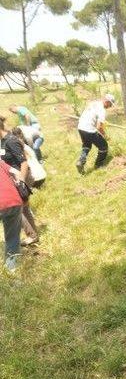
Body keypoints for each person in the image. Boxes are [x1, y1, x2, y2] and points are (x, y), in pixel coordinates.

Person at [1, 115, 38, 246]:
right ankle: (33, 235)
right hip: (12, 180)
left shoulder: (11, 141)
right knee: (23, 209)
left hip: (19, 178)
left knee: (18, 209)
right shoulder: (2, 142)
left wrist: (21, 181)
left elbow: (23, 163)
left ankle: (32, 235)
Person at [76, 94, 115, 173]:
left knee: (87, 145)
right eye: (110, 105)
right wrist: (105, 136)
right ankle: (98, 165)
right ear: (107, 102)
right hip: (89, 129)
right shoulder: (102, 110)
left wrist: (102, 122)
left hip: (80, 127)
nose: (110, 107)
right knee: (103, 146)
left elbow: (91, 116)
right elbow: (99, 127)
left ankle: (80, 161)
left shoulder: (93, 103)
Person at [0, 160, 22, 271]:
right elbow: (16, 172)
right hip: (13, 201)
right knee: (12, 237)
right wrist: (17, 182)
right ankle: (11, 268)